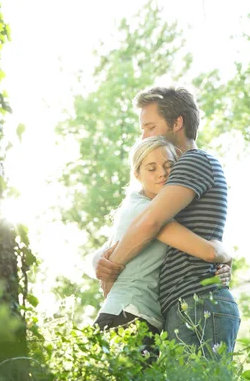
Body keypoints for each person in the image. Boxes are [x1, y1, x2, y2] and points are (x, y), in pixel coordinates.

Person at [96, 86, 240, 355]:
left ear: (177, 123)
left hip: (197, 303)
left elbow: (150, 223)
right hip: (184, 304)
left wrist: (112, 267)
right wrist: (100, 260)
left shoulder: (192, 161)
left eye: (150, 127)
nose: (143, 136)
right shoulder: (177, 177)